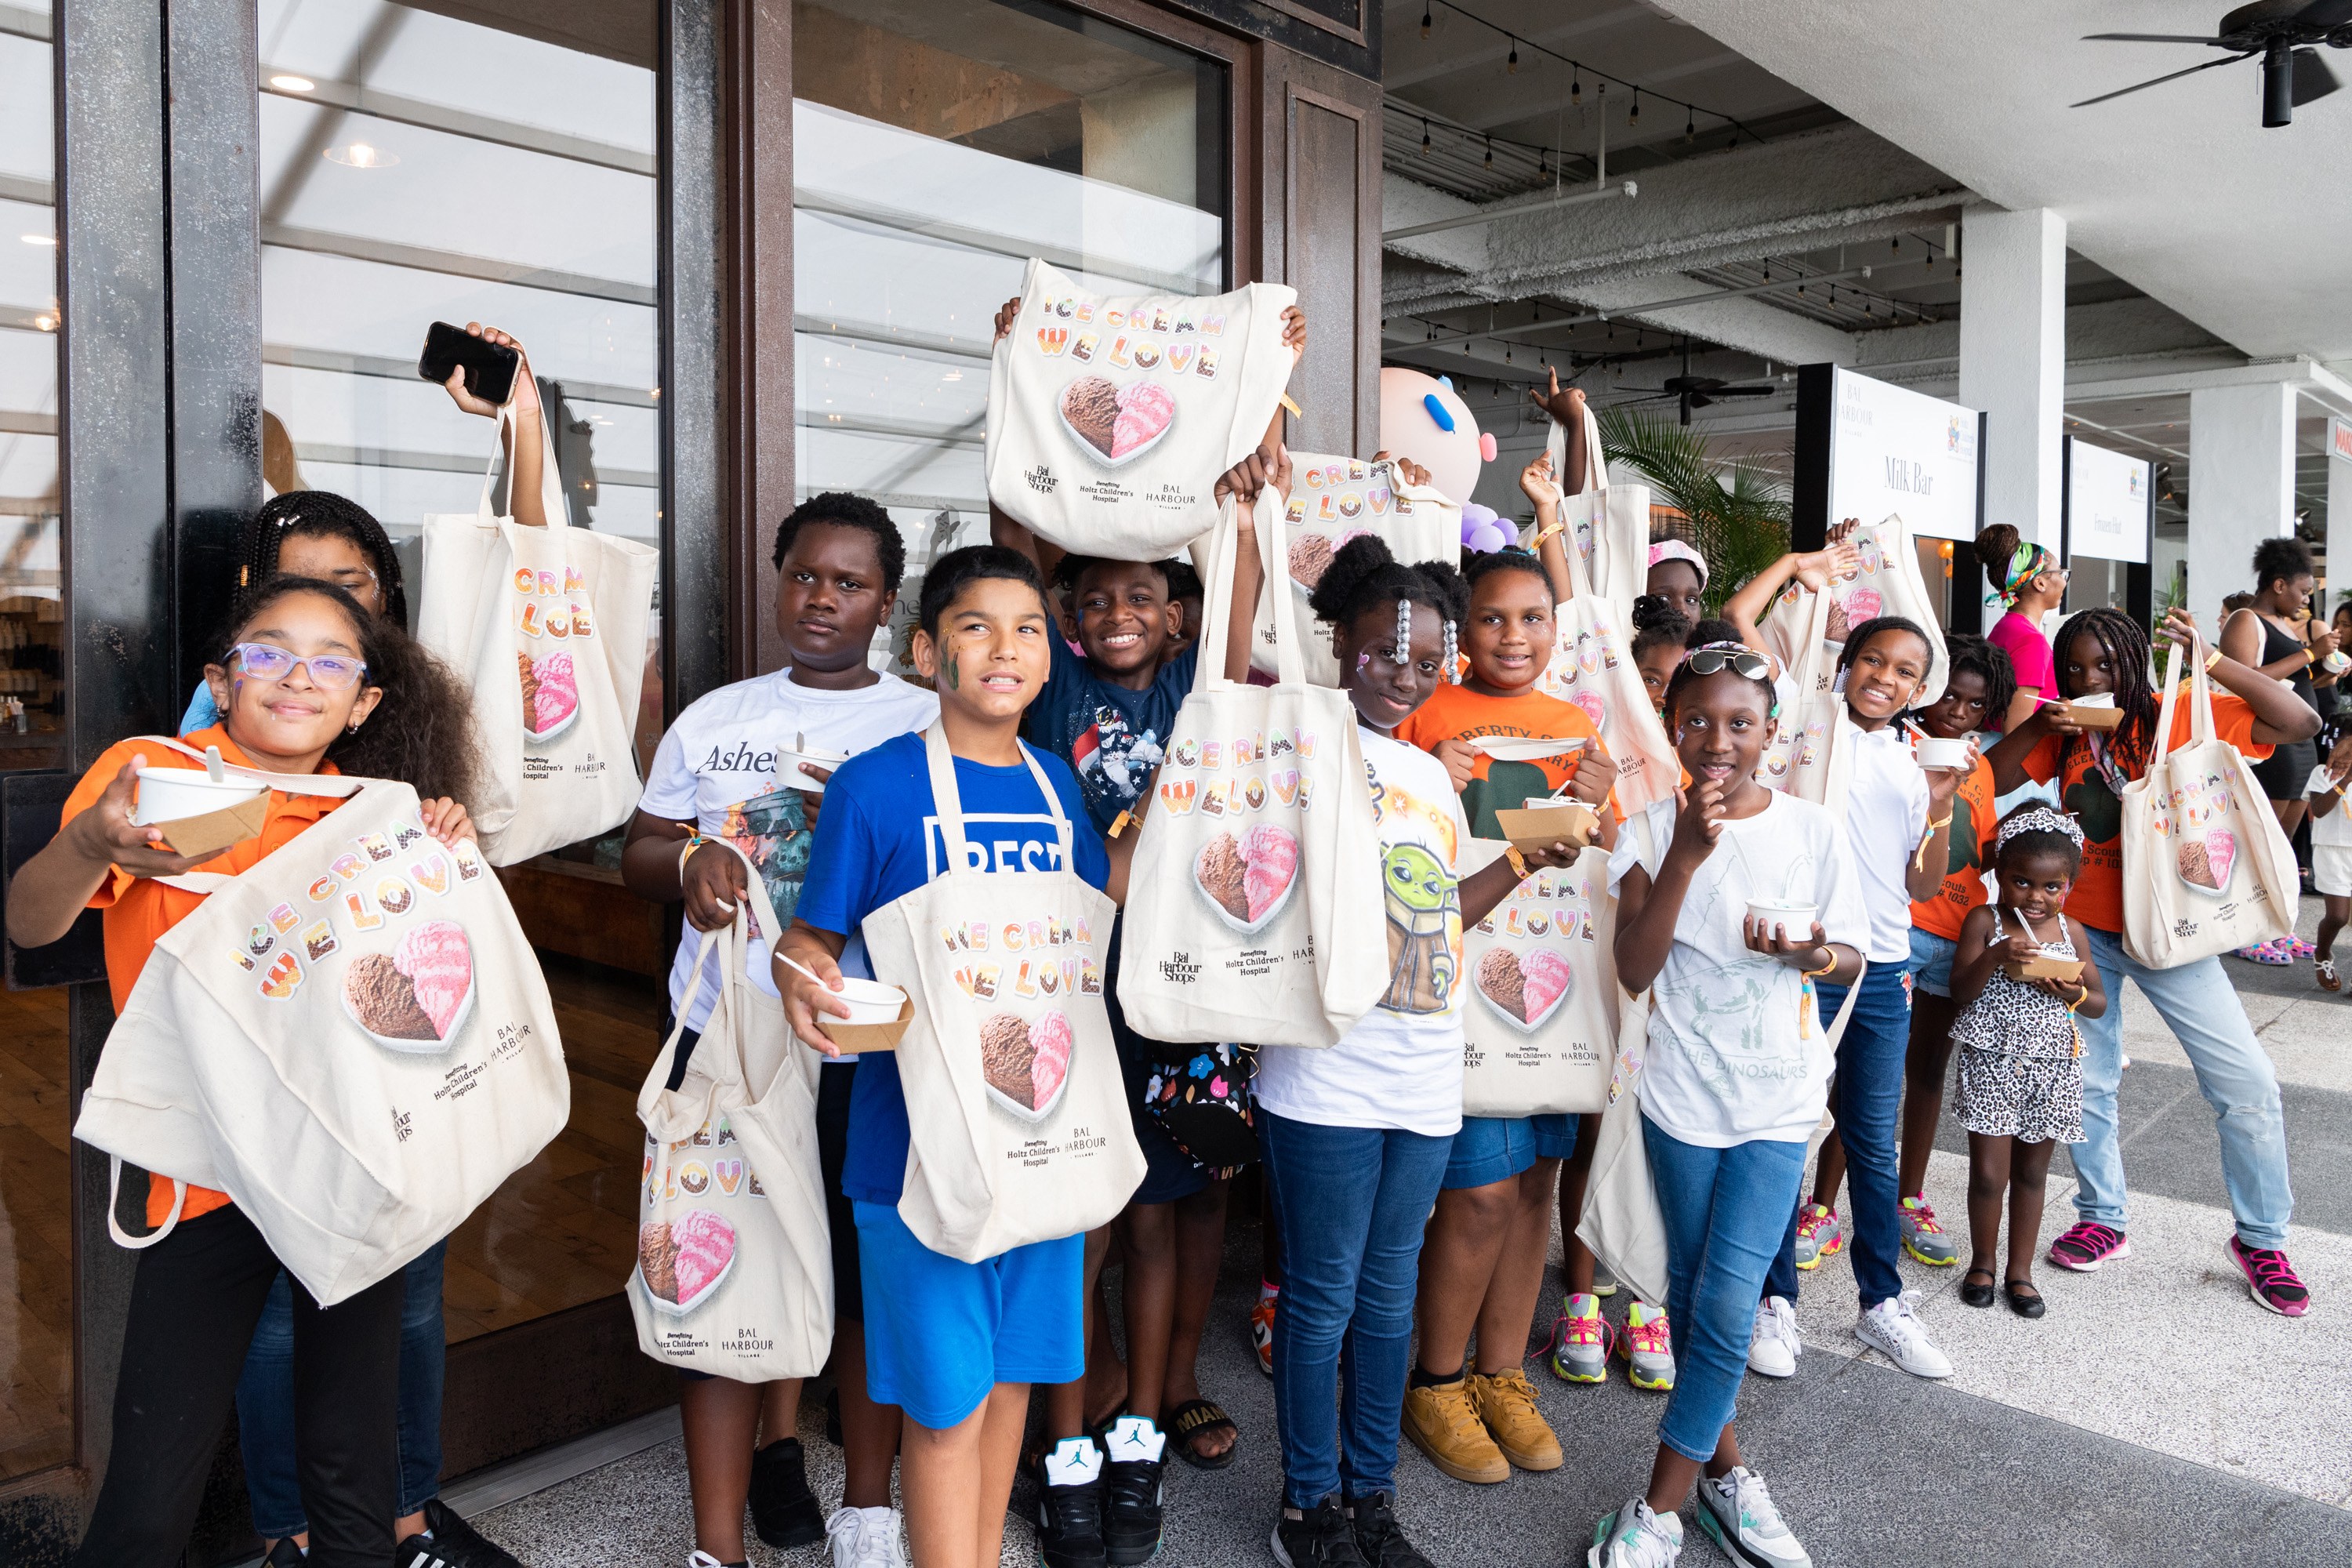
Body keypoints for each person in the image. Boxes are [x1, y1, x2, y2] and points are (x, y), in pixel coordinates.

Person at [11, 577, 482, 1568]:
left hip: (348, 1166)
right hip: (204, 1172)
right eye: (269, 652)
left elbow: (424, 989)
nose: (296, 676)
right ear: (222, 682)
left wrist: (445, 859)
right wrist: (91, 838)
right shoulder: (152, 775)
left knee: (354, 1478)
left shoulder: (372, 815)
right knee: (150, 1489)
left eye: (329, 660)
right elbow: (29, 921)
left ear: (363, 704)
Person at [775, 543, 1117, 1568]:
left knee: (1010, 1384)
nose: (1003, 648)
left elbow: (1096, 931)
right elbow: (813, 938)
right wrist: (802, 979)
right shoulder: (877, 790)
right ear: (929, 653)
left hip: (1042, 1142)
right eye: (975, 627)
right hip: (911, 1152)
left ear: (1049, 661)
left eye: (1026, 630)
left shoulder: (1061, 793)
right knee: (945, 1411)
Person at [621, 493, 938, 1568]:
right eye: (804, 575)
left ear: (886, 604)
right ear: (778, 579)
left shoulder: (921, 725)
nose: (821, 599)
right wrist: (687, 865)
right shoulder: (713, 719)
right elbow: (641, 849)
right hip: (727, 1042)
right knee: (722, 1269)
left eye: (849, 583)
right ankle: (724, 1541)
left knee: (862, 1279)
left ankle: (868, 1509)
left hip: (863, 1043)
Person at [1254, 535, 1579, 1568]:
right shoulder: (1295, 746)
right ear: (1338, 642)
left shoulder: (1432, 779)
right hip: (1324, 1077)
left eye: (1427, 657)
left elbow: (1440, 912)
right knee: (1322, 1297)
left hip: (1425, 1074)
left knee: (1390, 1296)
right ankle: (1306, 1506)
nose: (1405, 671)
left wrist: (1524, 859)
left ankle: (1370, 1496)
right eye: (1382, 650)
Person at [994, 447, 1274, 1563]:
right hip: (1073, 989)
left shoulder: (1200, 695)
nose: (1118, 612)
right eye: (1096, 597)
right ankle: (1070, 1440)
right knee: (1086, 1222)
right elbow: (1019, 548)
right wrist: (1028, 391)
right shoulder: (1056, 686)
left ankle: (1143, 1429)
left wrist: (1243, 507)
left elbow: (1239, 601)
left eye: (1143, 598)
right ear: (1067, 616)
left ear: (1175, 619)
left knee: (1177, 1209)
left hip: (1192, 1001)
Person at [1585, 641, 1867, 1568]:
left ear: (1771, 735)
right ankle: (1727, 1476)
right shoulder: (1646, 826)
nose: (1718, 738)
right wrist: (1686, 856)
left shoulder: (1814, 830)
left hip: (1779, 1101)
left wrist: (1812, 958)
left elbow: (1852, 955)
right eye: (1698, 719)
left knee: (1730, 1301)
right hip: (1678, 1099)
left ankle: (1660, 1506)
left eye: (1740, 722)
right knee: (1704, 1296)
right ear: (1672, 728)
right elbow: (1634, 967)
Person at [1392, 499, 1635, 1485]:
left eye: (1534, 618)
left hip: (1557, 990)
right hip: (1458, 988)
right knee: (1479, 1189)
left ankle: (1501, 1371)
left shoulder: (1577, 724)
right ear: (1459, 632)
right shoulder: (1427, 712)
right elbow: (1389, 841)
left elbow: (1605, 851)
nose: (1515, 637)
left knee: (1535, 1183)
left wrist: (1602, 794)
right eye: (1492, 619)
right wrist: (1423, 770)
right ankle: (1435, 1379)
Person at [1986, 607, 2319, 1316]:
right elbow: (1992, 775)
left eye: (2104, 665)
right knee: (2089, 1082)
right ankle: (2103, 1217)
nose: (2089, 678)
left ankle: (2261, 1239)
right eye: (2075, 667)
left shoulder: (2181, 707)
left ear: (2134, 662)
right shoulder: (2070, 725)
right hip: (2082, 934)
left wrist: (2213, 659)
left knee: (2247, 1082)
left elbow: (2298, 724)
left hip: (2173, 929)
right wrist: (2044, 722)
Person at [1740, 617, 1962, 1382]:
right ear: (1846, 661)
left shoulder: (1911, 760)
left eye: (1905, 671)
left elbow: (1922, 885)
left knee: (1871, 1137)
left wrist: (1940, 806)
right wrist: (1814, 583)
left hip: (1882, 967)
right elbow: (1746, 629)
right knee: (1787, 1128)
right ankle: (1775, 1299)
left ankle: (1881, 1301)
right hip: (1804, 955)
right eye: (1872, 658)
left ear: (1919, 688)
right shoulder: (1805, 727)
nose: (1886, 677)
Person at [1802, 633, 2015, 1277]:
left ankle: (1891, 1260)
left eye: (1975, 705)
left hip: (1912, 951)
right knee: (1809, 1104)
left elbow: (1924, 875)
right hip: (1828, 952)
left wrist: (1943, 802)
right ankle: (1811, 1218)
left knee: (1897, 1096)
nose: (1959, 711)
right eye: (1950, 695)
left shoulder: (1943, 765)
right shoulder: (1828, 736)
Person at [1947, 807, 2107, 1319]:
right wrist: (1994, 955)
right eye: (2021, 882)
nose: (2036, 898)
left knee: (2034, 1173)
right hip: (1993, 1061)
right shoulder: (1984, 920)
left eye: (2051, 887)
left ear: (2068, 885)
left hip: (2053, 1067)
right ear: (2000, 875)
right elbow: (1961, 991)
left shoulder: (2072, 932)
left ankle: (2021, 1272)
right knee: (1990, 1174)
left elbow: (2099, 1001)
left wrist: (2071, 990)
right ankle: (1984, 1263)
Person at [2220, 538, 2336, 964]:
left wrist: (2321, 669)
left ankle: (2275, 927)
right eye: (2304, 591)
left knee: (2281, 848)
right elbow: (2244, 678)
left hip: (2302, 743)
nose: (2307, 600)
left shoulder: (2286, 624)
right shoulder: (2245, 620)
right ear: (2280, 583)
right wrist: (2308, 652)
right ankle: (2243, 930)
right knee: (2258, 842)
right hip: (2271, 744)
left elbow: (2300, 684)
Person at [1970, 524, 2064, 735]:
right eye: (2061, 573)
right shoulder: (2031, 641)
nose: (2064, 581)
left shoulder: (2006, 626)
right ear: (2040, 583)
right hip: (2020, 760)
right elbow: (2015, 728)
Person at [2307, 734, 2352, 991]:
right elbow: (2320, 810)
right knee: (2338, 916)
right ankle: (2322, 953)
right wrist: (2345, 781)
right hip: (2332, 851)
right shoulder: (2321, 773)